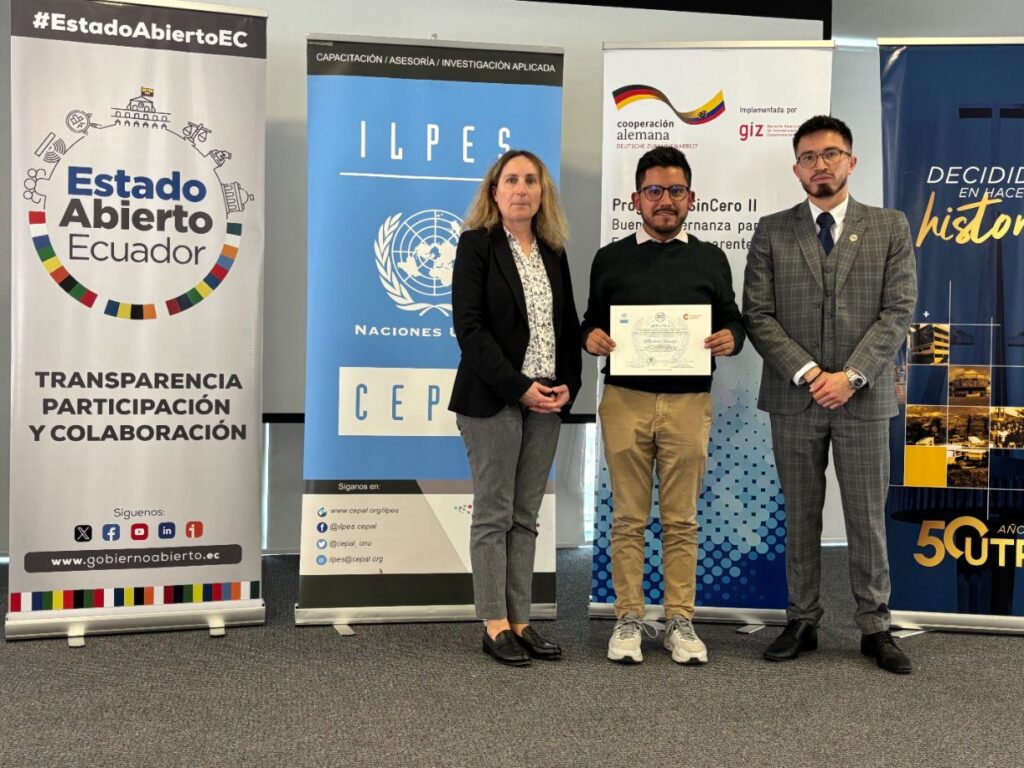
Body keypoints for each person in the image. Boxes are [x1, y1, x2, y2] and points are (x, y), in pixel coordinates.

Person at [742, 115, 918, 674]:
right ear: (797, 168)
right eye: (809, 157)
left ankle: (875, 626)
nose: (821, 165)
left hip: (862, 400)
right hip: (795, 398)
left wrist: (852, 376)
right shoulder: (772, 230)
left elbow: (898, 311)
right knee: (801, 515)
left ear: (851, 161)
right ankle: (802, 620)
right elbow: (757, 314)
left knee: (866, 516)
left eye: (831, 154)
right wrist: (809, 373)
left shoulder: (889, 226)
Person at [581, 146, 744, 664]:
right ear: (636, 199)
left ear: (691, 198)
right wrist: (591, 338)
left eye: (676, 191)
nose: (665, 200)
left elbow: (732, 317)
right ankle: (628, 618)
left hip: (689, 402)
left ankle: (680, 621)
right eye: (654, 191)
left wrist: (732, 338)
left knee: (681, 520)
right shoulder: (610, 258)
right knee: (628, 518)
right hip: (625, 400)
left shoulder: (710, 258)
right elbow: (590, 320)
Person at [449, 149, 582, 667]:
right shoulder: (476, 245)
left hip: (547, 400)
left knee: (525, 516)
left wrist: (568, 385)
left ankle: (521, 621)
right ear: (494, 191)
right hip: (493, 398)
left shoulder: (553, 250)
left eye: (531, 180)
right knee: (494, 513)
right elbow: (470, 329)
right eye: (511, 180)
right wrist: (519, 387)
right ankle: (494, 624)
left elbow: (567, 326)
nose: (521, 189)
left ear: (542, 192)